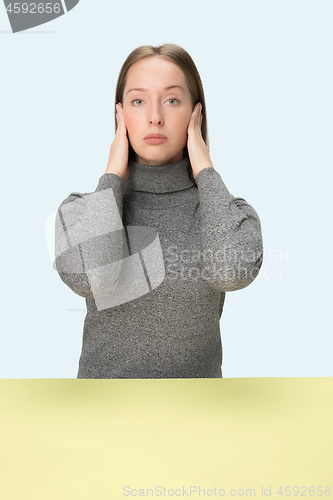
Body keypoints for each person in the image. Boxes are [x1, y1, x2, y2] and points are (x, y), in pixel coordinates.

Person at [54, 43, 264, 379]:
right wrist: (112, 176)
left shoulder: (227, 211)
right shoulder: (81, 210)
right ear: (119, 114)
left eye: (171, 100)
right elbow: (89, 277)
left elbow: (232, 272)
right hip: (100, 416)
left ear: (196, 114)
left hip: (200, 415)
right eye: (139, 101)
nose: (155, 116)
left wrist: (205, 169)